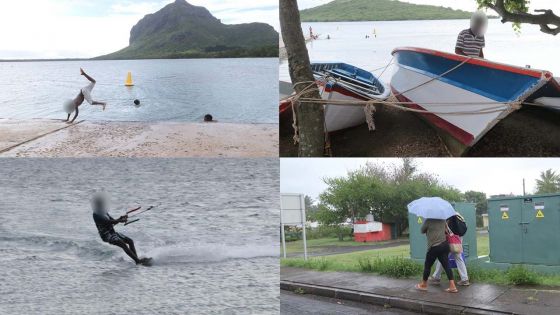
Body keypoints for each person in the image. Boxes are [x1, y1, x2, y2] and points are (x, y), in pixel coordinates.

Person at [91, 192, 147, 265]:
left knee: (130, 241)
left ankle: (137, 260)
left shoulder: (104, 212)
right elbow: (107, 222)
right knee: (123, 245)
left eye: (102, 203)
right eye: (100, 204)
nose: (102, 205)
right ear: (97, 205)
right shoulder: (96, 215)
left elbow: (113, 221)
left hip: (113, 233)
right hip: (106, 235)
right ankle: (137, 261)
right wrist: (120, 220)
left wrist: (121, 218)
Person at [416, 218, 458, 293]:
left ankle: (424, 285)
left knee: (427, 266)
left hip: (434, 247)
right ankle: (452, 286)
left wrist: (428, 229)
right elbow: (446, 230)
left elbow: (422, 230)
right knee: (446, 265)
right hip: (444, 245)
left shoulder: (428, 220)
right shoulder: (442, 220)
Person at [430, 213, 470, 286]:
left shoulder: (446, 216)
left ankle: (436, 277)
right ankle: (464, 279)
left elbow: (445, 230)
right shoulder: (458, 215)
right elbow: (464, 227)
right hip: (458, 238)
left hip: (451, 238)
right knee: (458, 257)